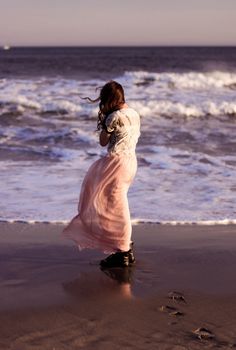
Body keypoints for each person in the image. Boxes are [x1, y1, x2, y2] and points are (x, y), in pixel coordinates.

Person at [62, 80, 140, 268]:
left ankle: (123, 250)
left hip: (116, 163)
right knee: (115, 204)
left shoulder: (114, 118)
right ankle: (122, 248)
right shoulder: (134, 113)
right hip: (131, 163)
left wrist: (105, 126)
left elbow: (103, 142)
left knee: (115, 206)